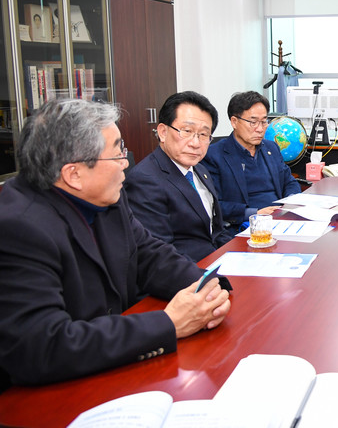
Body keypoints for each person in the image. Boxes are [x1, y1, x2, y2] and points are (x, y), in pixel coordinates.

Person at [0, 99, 231, 390]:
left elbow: (150, 255)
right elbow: (41, 346)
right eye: (117, 154)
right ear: (73, 174)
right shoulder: (18, 227)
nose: (126, 163)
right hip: (49, 392)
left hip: (111, 366)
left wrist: (210, 286)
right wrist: (169, 323)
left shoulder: (107, 197)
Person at [125, 91, 233, 262]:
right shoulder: (145, 180)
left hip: (218, 261)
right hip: (189, 271)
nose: (195, 143)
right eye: (187, 131)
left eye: (203, 134)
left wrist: (239, 255)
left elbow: (217, 231)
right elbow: (158, 254)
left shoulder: (200, 170)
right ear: (163, 132)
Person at [202, 91, 300, 233]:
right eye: (253, 122)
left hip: (280, 220)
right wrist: (255, 213)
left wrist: (289, 202)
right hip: (245, 226)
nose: (260, 129)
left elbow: (289, 182)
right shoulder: (213, 155)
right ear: (234, 122)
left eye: (264, 121)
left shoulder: (271, 148)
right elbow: (214, 205)